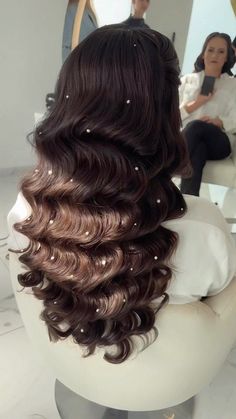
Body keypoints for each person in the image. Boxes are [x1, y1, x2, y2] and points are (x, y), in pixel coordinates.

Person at [8, 26, 236, 364]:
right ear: (164, 112)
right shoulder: (206, 231)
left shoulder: (26, 210)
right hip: (168, 374)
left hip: (70, 364)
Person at [179, 32, 236, 196]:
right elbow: (171, 116)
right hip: (190, 141)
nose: (215, 55)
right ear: (203, 54)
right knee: (198, 150)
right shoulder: (187, 81)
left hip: (219, 142)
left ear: (226, 58)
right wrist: (198, 102)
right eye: (210, 50)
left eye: (221, 52)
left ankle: (163, 173)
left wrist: (220, 121)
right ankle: (187, 203)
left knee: (196, 126)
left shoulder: (233, 85)